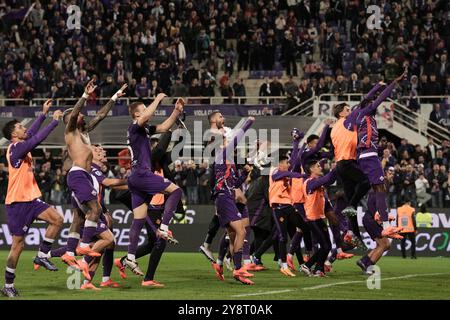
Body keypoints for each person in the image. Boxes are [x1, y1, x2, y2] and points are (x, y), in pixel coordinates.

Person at [62, 81, 127, 273]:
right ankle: (84, 245)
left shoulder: (85, 132)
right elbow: (74, 114)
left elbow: (101, 114)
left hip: (84, 176)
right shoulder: (70, 131)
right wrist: (84, 95)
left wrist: (115, 96)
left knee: (78, 217)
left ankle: (69, 253)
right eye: (79, 114)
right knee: (95, 209)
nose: (82, 114)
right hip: (79, 174)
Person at [1, 100, 64, 297]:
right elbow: (35, 139)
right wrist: (53, 122)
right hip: (18, 203)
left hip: (31, 199)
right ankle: (8, 285)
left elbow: (31, 135)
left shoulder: (20, 144)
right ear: (13, 135)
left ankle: (42, 254)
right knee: (17, 246)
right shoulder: (16, 148)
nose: (24, 128)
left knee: (57, 219)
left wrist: (43, 114)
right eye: (20, 127)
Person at [123, 93, 184, 277]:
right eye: (142, 110)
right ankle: (164, 227)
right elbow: (146, 116)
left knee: (139, 219)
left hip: (136, 177)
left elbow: (165, 127)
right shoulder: (134, 127)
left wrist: (176, 111)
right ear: (136, 115)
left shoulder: (144, 130)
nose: (145, 112)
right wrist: (157, 100)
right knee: (176, 191)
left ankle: (130, 257)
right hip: (141, 173)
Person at [211, 117, 255, 285]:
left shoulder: (228, 161)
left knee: (233, 234)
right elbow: (236, 139)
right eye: (225, 140)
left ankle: (238, 271)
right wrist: (248, 123)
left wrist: (244, 174)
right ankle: (238, 268)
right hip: (224, 197)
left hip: (226, 197)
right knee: (242, 231)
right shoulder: (221, 155)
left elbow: (235, 183)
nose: (228, 141)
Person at [357, 170, 403, 275]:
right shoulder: (378, 186)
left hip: (371, 219)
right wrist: (377, 215)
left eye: (393, 173)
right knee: (384, 244)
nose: (392, 175)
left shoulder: (383, 186)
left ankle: (364, 261)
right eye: (390, 172)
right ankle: (368, 266)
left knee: (384, 244)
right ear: (384, 175)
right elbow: (370, 203)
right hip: (370, 219)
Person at [299, 160, 338, 277]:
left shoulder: (317, 183)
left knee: (328, 246)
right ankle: (311, 267)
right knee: (325, 246)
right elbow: (327, 179)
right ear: (311, 169)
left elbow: (330, 179)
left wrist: (338, 169)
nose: (320, 167)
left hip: (319, 219)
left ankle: (316, 269)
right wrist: (338, 166)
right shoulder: (310, 182)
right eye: (317, 166)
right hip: (312, 219)